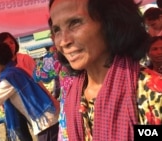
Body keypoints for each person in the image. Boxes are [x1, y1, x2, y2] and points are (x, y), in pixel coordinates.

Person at [49, 0, 162, 141]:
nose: (63, 41)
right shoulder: (74, 95)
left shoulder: (152, 93)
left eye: (75, 23)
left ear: (112, 22)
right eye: (57, 30)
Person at [0, 32, 37, 141]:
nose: (10, 45)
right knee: (23, 136)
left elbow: (36, 77)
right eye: (5, 44)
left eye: (11, 42)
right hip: (13, 107)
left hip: (31, 102)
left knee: (39, 131)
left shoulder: (25, 58)